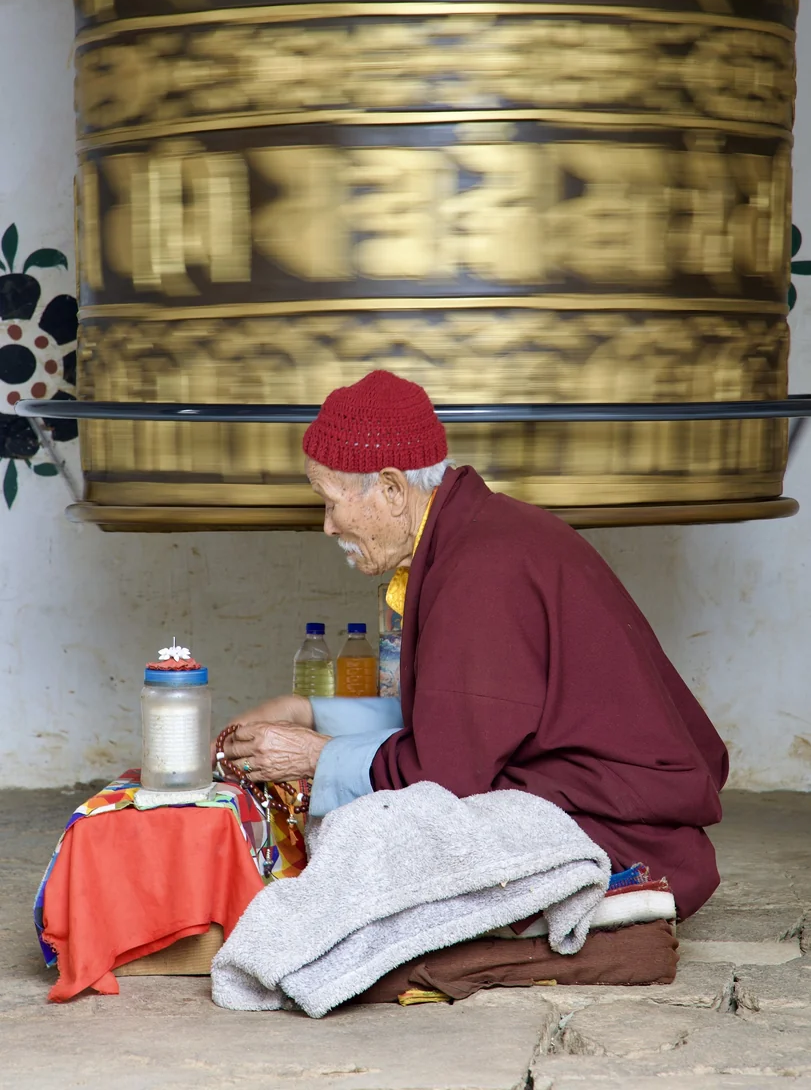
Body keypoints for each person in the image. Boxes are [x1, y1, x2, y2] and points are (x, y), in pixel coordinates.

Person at [222, 370, 728, 920]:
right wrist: (307, 710)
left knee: (370, 833)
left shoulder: (481, 570)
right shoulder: (472, 535)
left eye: (329, 502)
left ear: (391, 490)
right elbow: (455, 717)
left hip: (625, 837)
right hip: (600, 804)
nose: (327, 526)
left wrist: (314, 756)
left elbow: (447, 775)